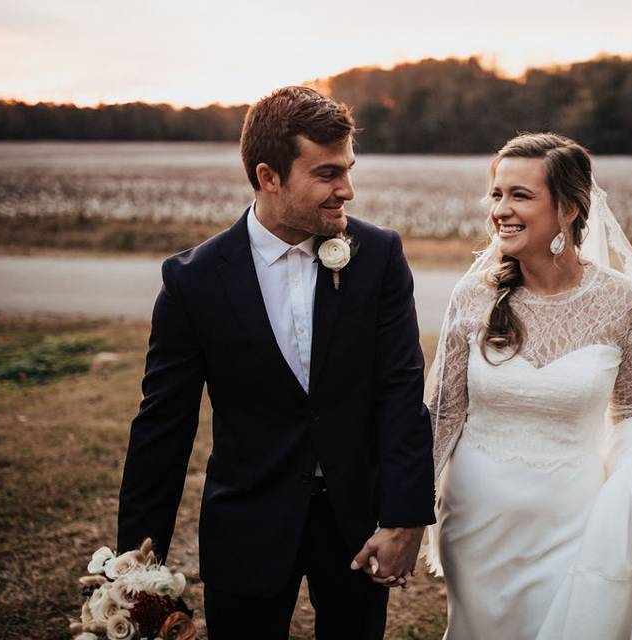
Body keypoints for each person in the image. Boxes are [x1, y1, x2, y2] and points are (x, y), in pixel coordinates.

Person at [117, 86, 435, 639]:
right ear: (269, 177)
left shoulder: (378, 256)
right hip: (246, 523)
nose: (347, 190)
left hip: (356, 528)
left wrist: (405, 519)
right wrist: (136, 567)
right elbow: (162, 427)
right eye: (327, 174)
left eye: (349, 169)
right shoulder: (194, 281)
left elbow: (402, 391)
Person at [426, 132, 632, 639]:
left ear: (569, 210)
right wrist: (403, 513)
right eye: (496, 194)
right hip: (477, 518)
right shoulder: (471, 296)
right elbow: (444, 413)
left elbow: (631, 413)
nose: (501, 210)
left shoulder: (628, 304)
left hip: (573, 515)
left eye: (520, 195)